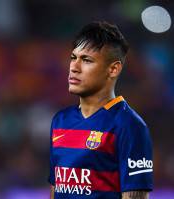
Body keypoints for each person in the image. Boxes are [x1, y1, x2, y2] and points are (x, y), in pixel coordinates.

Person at [49, 21, 153, 199]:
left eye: (86, 60)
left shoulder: (130, 126)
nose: (74, 67)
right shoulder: (60, 120)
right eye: (73, 58)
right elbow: (55, 190)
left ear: (113, 69)